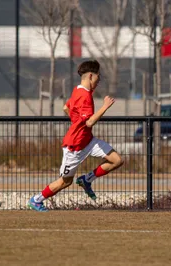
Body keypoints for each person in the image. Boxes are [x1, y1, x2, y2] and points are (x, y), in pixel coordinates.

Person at [28, 60, 124, 212]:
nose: (99, 80)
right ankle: (36, 199)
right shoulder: (84, 96)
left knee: (116, 160)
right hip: (75, 146)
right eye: (98, 76)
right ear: (91, 76)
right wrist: (105, 106)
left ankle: (87, 179)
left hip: (88, 141)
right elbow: (90, 122)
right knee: (65, 182)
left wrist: (77, 121)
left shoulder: (78, 91)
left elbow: (66, 107)